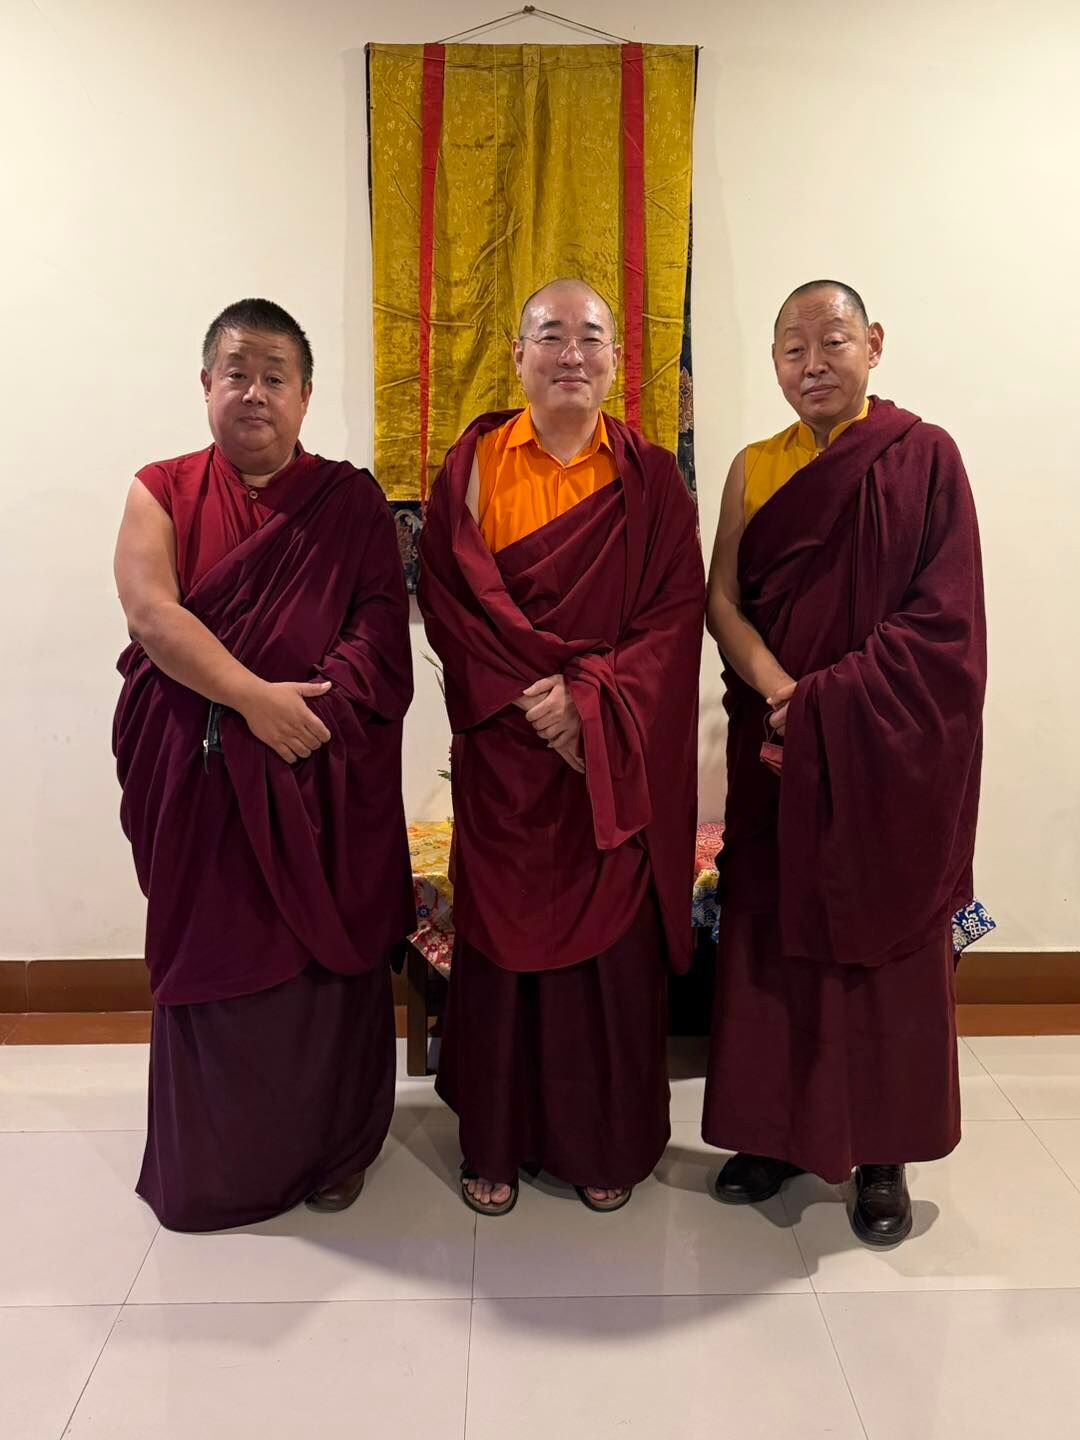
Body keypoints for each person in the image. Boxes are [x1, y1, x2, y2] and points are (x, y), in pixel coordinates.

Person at [113, 298, 414, 1231]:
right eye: (237, 373)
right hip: (201, 773)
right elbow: (152, 616)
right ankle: (220, 1167)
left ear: (305, 396)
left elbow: (380, 627)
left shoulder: (349, 502)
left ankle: (334, 1150)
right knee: (216, 958)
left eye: (275, 377)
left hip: (319, 770)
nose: (254, 393)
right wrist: (254, 700)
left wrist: (313, 712)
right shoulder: (160, 489)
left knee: (321, 974)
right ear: (206, 384)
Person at [703, 280, 986, 1244]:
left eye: (832, 341)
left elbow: (946, 626)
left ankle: (882, 1154)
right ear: (775, 364)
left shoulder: (924, 458)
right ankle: (772, 1134)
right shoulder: (754, 467)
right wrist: (784, 693)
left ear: (874, 343)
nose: (812, 363)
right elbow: (723, 601)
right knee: (771, 928)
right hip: (778, 745)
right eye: (792, 348)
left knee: (882, 943)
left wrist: (822, 705)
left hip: (884, 757)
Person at [418, 278, 704, 1216]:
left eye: (590, 336)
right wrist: (530, 700)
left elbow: (675, 619)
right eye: (550, 335)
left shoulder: (652, 481)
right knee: (500, 951)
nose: (570, 353)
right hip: (506, 757)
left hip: (604, 763)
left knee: (606, 962)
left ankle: (602, 1140)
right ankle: (495, 1142)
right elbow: (449, 606)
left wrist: (590, 703)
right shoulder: (472, 465)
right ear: (517, 354)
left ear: (618, 359)